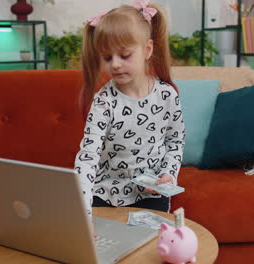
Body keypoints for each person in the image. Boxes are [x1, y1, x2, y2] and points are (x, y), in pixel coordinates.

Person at [74, 0, 185, 220]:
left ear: (147, 50)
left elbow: (175, 141)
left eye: (124, 55)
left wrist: (168, 175)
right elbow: (88, 157)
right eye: (107, 57)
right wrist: (82, 212)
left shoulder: (166, 96)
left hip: (151, 193)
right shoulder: (104, 101)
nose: (114, 64)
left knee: (148, 248)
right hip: (104, 193)